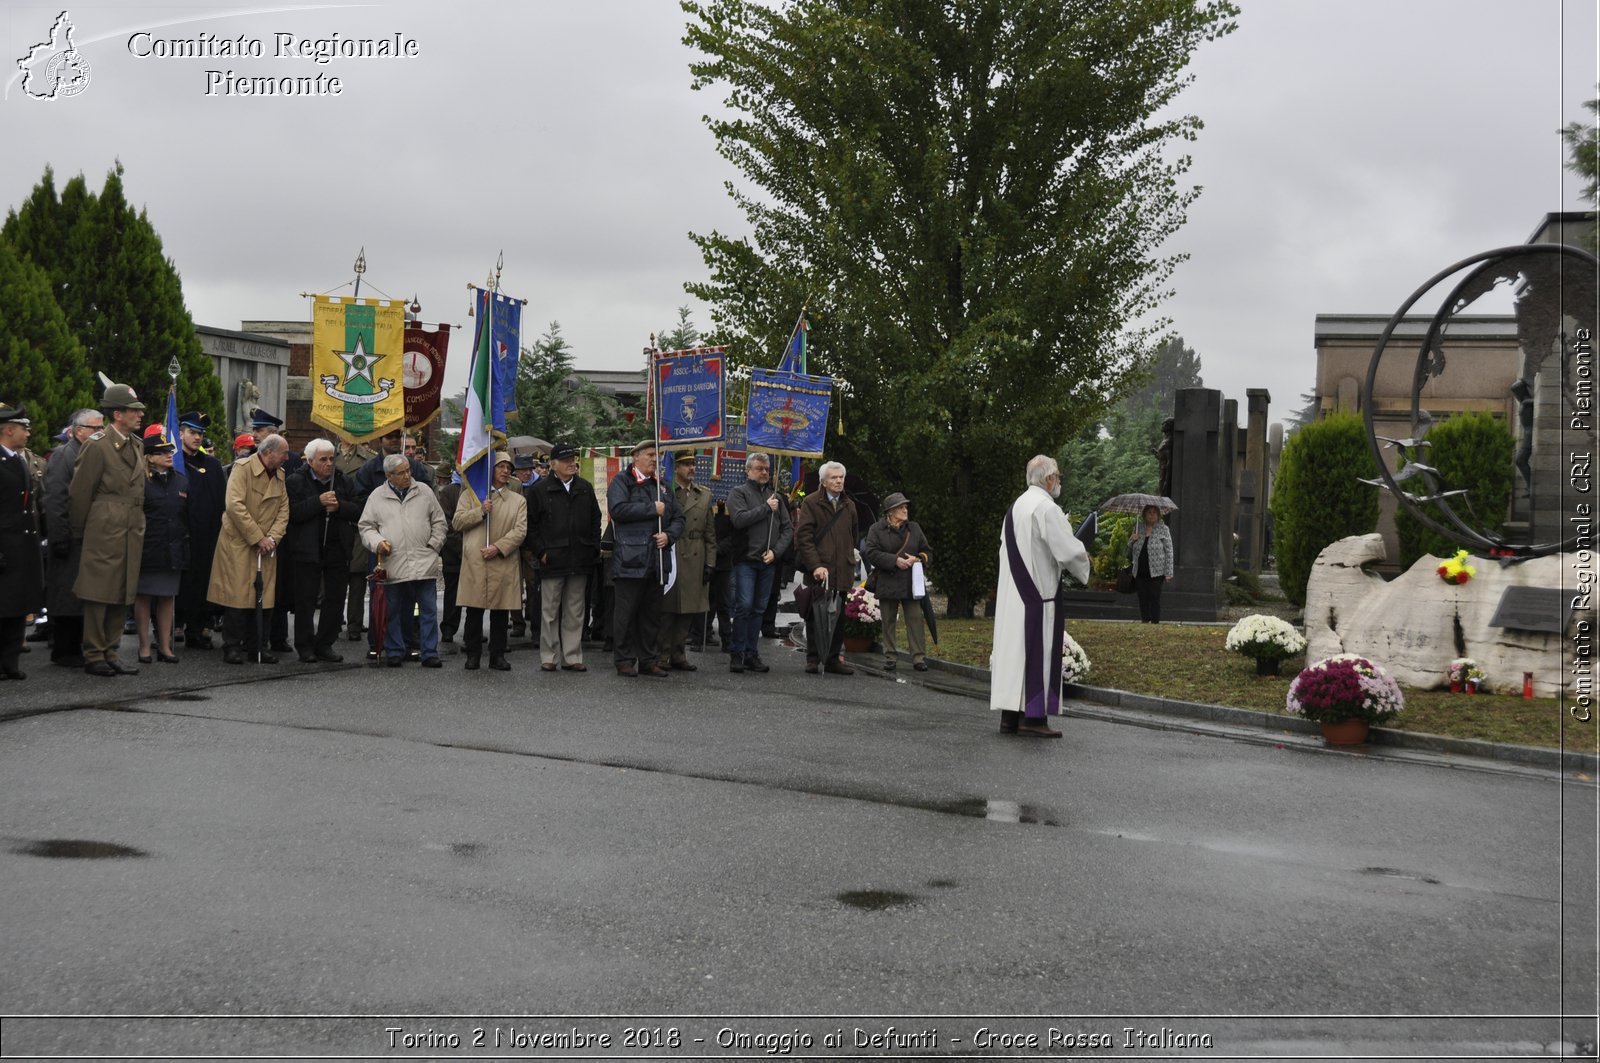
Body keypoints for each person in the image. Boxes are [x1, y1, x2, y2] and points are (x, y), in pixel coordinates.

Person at [990, 455, 1090, 739]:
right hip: (1038, 596)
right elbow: (1068, 551)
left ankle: (1010, 717)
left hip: (1014, 596)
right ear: (1048, 479)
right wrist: (1085, 559)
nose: (1059, 481)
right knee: (1036, 651)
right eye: (1057, 476)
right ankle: (1033, 719)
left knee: (1014, 655)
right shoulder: (1046, 508)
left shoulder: (1016, 507)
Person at [69, 382, 148, 677]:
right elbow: (79, 493)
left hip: (131, 526)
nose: (139, 415)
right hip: (104, 526)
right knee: (99, 591)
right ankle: (93, 652)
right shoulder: (98, 445)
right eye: (133, 411)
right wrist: (80, 531)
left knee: (123, 590)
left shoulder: (137, 444)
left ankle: (111, 651)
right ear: (117, 414)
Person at [359, 453, 446, 668]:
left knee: (428, 610)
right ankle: (395, 650)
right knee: (393, 610)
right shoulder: (377, 496)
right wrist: (378, 543)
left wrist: (434, 545)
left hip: (423, 560)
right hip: (393, 562)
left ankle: (429, 652)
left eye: (408, 470)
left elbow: (440, 521)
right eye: (401, 473)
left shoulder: (424, 491)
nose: (407, 475)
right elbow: (366, 526)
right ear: (389, 475)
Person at [209, 433, 290, 664]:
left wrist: (272, 538)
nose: (287, 457)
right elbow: (234, 506)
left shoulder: (280, 475)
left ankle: (258, 647)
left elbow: (284, 510)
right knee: (237, 598)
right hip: (240, 543)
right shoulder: (242, 468)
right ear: (268, 453)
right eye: (283, 453)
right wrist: (257, 538)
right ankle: (232, 647)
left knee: (264, 598)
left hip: (266, 547)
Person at [607, 439, 684, 677]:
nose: (654, 459)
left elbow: (679, 518)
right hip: (630, 559)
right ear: (636, 457)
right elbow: (618, 510)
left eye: (656, 455)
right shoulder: (622, 481)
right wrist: (652, 508)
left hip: (656, 560)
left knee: (651, 614)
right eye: (650, 455)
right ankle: (624, 659)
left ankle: (648, 659)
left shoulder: (662, 485)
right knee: (626, 614)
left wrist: (669, 536)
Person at [284, 438, 361, 663]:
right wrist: (317, 502)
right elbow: (292, 513)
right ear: (310, 461)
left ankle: (325, 643)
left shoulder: (343, 481)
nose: (329, 463)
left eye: (331, 458)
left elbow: (357, 509)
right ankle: (305, 645)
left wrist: (339, 507)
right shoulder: (295, 481)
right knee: (305, 601)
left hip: (337, 548)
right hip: (307, 549)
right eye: (323, 459)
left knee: (335, 599)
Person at [526, 442, 600, 672]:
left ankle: (572, 655)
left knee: (575, 611)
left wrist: (592, 547)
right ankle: (549, 656)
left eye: (573, 460)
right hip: (552, 559)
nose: (572, 464)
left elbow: (595, 520)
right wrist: (541, 552)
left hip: (580, 558)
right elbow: (530, 526)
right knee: (549, 611)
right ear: (553, 464)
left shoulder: (585, 488)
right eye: (566, 460)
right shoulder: (539, 490)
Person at [452, 451, 526, 671]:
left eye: (508, 468)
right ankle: (473, 654)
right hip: (476, 561)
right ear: (490, 469)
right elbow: (457, 522)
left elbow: (520, 530)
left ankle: (498, 655)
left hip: (502, 561)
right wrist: (480, 511)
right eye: (500, 466)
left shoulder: (518, 500)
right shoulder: (470, 496)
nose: (505, 471)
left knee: (501, 612)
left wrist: (499, 547)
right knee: (474, 611)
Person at [41, 408, 102, 667]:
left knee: (81, 595)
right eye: (95, 429)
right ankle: (64, 650)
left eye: (102, 427)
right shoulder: (63, 456)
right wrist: (60, 537)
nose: (101, 432)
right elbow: (55, 499)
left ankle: (78, 645)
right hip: (68, 535)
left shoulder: (91, 454)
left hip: (88, 536)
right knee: (66, 594)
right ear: (78, 431)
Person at [725, 452, 791, 674]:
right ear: (748, 470)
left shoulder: (776, 497)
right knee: (743, 606)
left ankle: (752, 653)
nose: (764, 472)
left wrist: (776, 552)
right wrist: (765, 508)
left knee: (759, 609)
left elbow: (787, 529)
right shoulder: (738, 493)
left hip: (768, 562)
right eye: (759, 468)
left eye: (767, 469)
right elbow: (739, 519)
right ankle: (737, 653)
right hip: (746, 560)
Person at [794, 460, 859, 675]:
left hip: (842, 568)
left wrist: (849, 556)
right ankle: (813, 658)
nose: (839, 481)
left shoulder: (849, 505)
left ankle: (832, 659)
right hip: (820, 569)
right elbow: (803, 537)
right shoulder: (812, 503)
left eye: (841, 477)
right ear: (823, 481)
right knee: (815, 614)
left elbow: (854, 534)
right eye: (834, 477)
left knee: (838, 615)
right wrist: (815, 565)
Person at [133, 425, 189, 664]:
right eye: (162, 452)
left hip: (173, 547)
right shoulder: (140, 482)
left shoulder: (181, 482)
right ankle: (144, 646)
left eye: (170, 451)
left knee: (167, 598)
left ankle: (165, 646)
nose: (169, 455)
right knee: (143, 597)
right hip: (147, 547)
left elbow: (186, 515)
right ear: (150, 457)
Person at [657, 451, 716, 671]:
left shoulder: (704, 495)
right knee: (667, 609)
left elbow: (710, 534)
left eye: (693, 464)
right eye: (685, 464)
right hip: (671, 551)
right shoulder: (664, 491)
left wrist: (710, 563)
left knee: (689, 609)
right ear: (676, 467)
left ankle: (678, 654)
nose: (691, 468)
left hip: (695, 554)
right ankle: (661, 654)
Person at [862, 491, 933, 673]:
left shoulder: (914, 528)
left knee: (915, 620)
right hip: (887, 581)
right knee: (888, 621)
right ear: (891, 511)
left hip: (911, 583)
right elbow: (871, 552)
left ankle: (918, 658)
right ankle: (890, 657)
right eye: (901, 507)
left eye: (906, 506)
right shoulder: (876, 529)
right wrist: (895, 561)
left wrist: (918, 558)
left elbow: (927, 551)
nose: (905, 509)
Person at [174, 412, 226, 649]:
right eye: (192, 432)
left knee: (203, 583)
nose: (197, 437)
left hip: (207, 537)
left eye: (200, 434)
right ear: (181, 433)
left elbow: (221, 501)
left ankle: (198, 627)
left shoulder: (213, 466)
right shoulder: (174, 463)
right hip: (181, 535)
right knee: (181, 584)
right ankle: (174, 625)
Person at [0, 401, 44, 680]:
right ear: (8, 430)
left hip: (22, 543)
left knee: (17, 605)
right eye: (23, 429)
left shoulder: (18, 459)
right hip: (5, 544)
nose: (27, 434)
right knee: (2, 606)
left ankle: (10, 662)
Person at [433, 462, 465, 646]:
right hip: (454, 553)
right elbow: (446, 524)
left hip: (476, 553)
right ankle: (448, 628)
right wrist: (463, 549)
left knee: (475, 595)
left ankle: (472, 629)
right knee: (452, 593)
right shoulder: (448, 492)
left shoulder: (480, 490)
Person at [1129, 503, 1175, 623]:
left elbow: (1169, 551)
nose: (1152, 515)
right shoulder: (1138, 527)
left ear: (1158, 515)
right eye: (1149, 512)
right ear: (1144, 514)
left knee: (1154, 597)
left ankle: (1155, 621)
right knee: (1142, 597)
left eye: (1155, 512)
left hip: (1157, 571)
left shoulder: (1163, 529)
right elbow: (1129, 548)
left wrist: (1168, 572)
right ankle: (1145, 620)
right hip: (1140, 570)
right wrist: (1132, 540)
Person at [704, 500, 734, 648]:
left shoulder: (731, 513)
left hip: (723, 563)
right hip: (707, 561)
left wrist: (716, 550)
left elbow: (733, 535)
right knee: (706, 600)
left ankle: (727, 639)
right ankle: (703, 634)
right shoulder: (708, 510)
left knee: (723, 603)